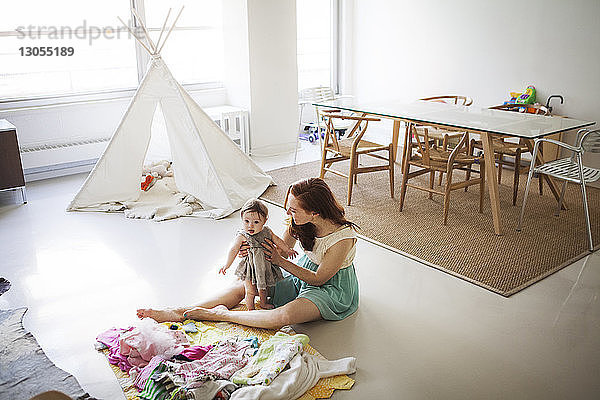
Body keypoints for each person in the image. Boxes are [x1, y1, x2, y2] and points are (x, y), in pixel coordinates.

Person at [137, 178, 359, 329]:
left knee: (287, 316)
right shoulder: (300, 221)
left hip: (332, 286)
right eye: (289, 207)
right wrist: (250, 250)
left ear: (315, 213)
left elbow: (319, 278)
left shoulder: (342, 238)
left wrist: (280, 261)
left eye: (294, 210)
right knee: (245, 283)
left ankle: (221, 315)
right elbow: (276, 246)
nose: (289, 213)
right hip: (303, 272)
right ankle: (178, 311)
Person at [219, 198, 297, 310]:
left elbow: (278, 240)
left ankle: (263, 303)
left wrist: (287, 249)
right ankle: (250, 309)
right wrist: (227, 265)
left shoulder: (266, 231)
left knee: (263, 288)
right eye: (246, 221)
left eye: (256, 222)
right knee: (250, 291)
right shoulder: (242, 235)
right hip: (250, 268)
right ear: (242, 217)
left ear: (265, 220)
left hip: (264, 267)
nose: (250, 226)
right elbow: (233, 249)